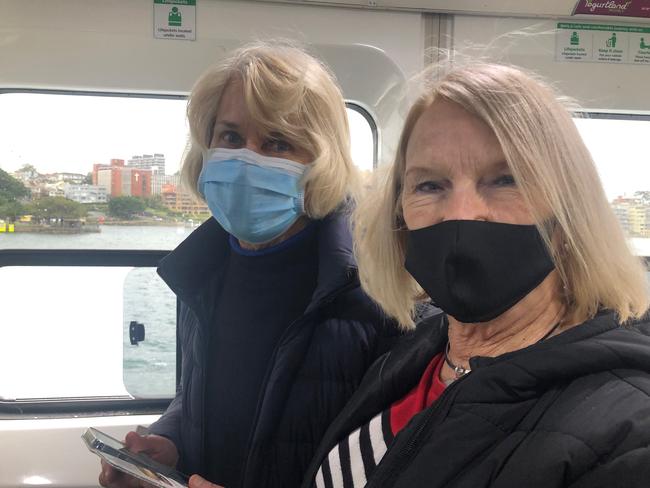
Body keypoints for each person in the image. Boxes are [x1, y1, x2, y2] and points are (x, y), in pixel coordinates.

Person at [300, 63, 650, 488]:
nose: (461, 213)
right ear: (400, 214)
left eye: (506, 179)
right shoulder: (413, 354)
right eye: (429, 186)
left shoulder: (627, 434)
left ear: (567, 214)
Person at [99, 40, 397, 488]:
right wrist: (169, 446)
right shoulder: (202, 273)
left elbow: (391, 466)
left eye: (277, 142)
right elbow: (204, 402)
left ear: (321, 159)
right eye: (231, 137)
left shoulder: (376, 293)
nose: (247, 160)